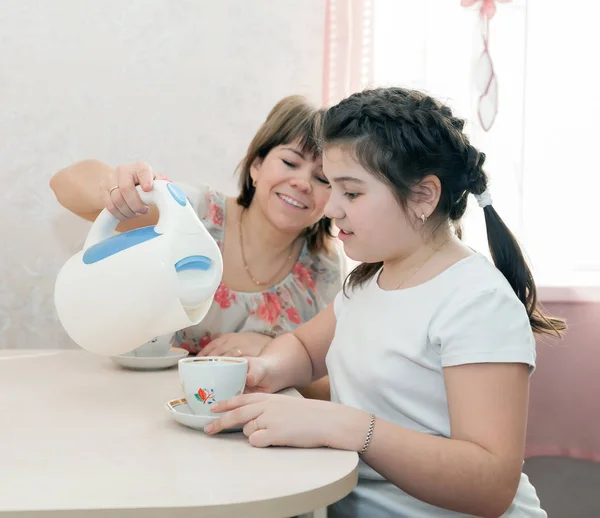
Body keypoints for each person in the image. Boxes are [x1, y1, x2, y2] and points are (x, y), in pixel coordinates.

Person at [203, 87, 567, 517]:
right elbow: (302, 349)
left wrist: (347, 427)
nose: (330, 209)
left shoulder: (478, 303)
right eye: (331, 188)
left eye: (351, 193)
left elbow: (490, 485)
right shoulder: (369, 280)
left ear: (424, 197)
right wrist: (266, 368)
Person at [50, 95, 344, 400]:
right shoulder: (196, 214)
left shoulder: (323, 268)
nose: (302, 183)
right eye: (289, 162)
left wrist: (274, 355)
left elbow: (331, 386)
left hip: (240, 426)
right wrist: (114, 187)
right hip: (133, 398)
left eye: (322, 178)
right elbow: (64, 184)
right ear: (256, 166)